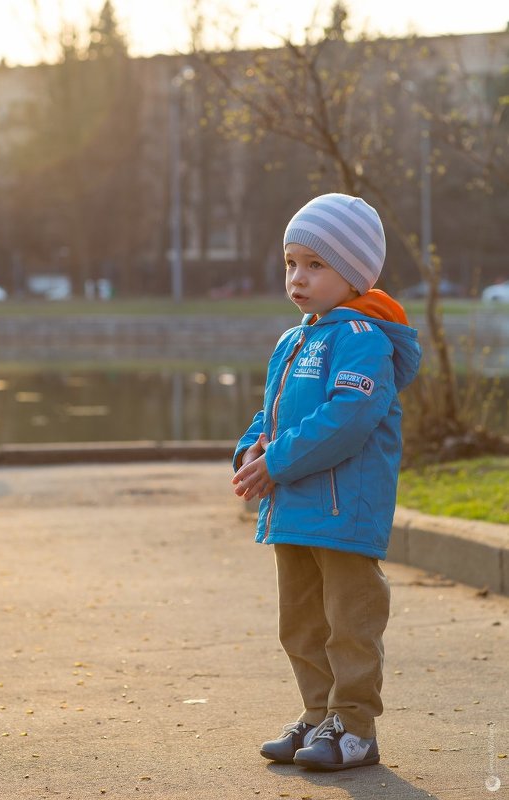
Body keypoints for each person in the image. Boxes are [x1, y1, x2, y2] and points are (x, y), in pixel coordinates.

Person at [232, 193, 421, 771]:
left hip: (344, 513)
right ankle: (318, 717)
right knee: (301, 624)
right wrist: (252, 448)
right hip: (293, 510)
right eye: (292, 263)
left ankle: (355, 728)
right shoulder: (295, 341)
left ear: (355, 271)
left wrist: (280, 461)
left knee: (351, 624)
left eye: (316, 265)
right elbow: (275, 413)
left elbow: (347, 418)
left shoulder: (362, 339)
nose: (298, 277)